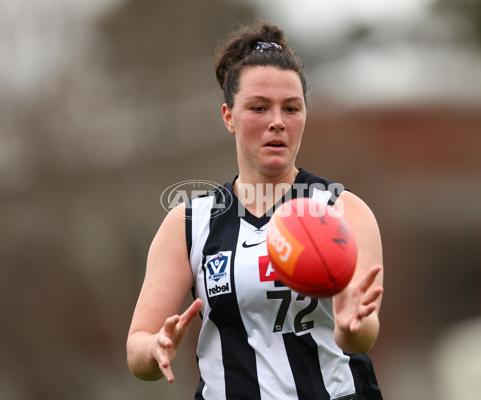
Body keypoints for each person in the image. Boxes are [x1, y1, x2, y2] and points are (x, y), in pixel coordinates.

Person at [127, 21, 384, 400]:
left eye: (291, 108)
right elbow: (138, 348)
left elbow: (364, 332)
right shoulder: (189, 224)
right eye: (259, 108)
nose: (277, 121)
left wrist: (349, 326)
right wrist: (154, 349)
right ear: (229, 116)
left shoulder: (342, 211)